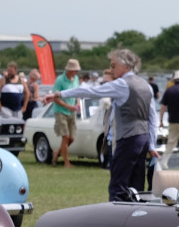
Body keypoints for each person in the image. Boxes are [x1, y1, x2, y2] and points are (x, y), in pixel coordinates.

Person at [60, 48, 157, 200]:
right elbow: (152, 117)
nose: (111, 70)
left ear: (125, 65)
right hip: (143, 138)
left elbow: (91, 91)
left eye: (113, 65)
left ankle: (115, 220)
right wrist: (151, 144)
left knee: (117, 186)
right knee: (137, 186)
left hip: (128, 137)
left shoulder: (122, 84)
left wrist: (60, 94)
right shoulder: (146, 85)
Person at [50, 59, 83, 167]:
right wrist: (69, 106)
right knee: (65, 137)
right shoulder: (60, 80)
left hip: (71, 111)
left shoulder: (76, 79)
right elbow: (55, 98)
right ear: (69, 70)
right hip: (60, 111)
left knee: (71, 138)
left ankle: (57, 152)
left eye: (77, 71)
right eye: (74, 70)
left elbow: (77, 92)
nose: (76, 72)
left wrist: (77, 104)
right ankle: (66, 162)